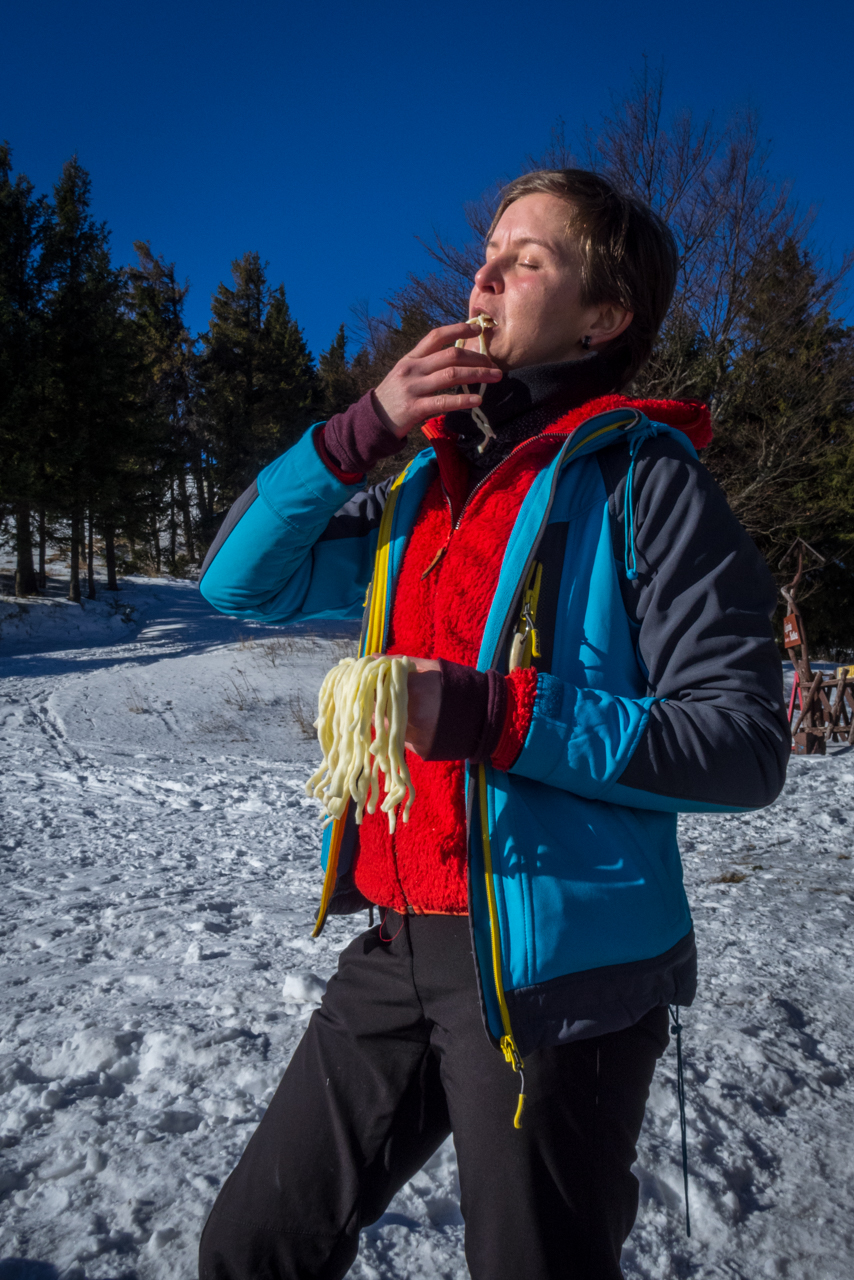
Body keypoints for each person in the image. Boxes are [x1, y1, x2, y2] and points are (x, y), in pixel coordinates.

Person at [197, 169, 789, 1280]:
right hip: (399, 938)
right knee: (249, 1245)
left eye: (527, 257)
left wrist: (485, 711)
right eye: (487, 249)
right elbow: (239, 583)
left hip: (562, 979)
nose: (483, 272)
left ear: (604, 316)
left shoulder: (645, 482)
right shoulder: (420, 485)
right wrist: (360, 430)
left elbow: (742, 743)